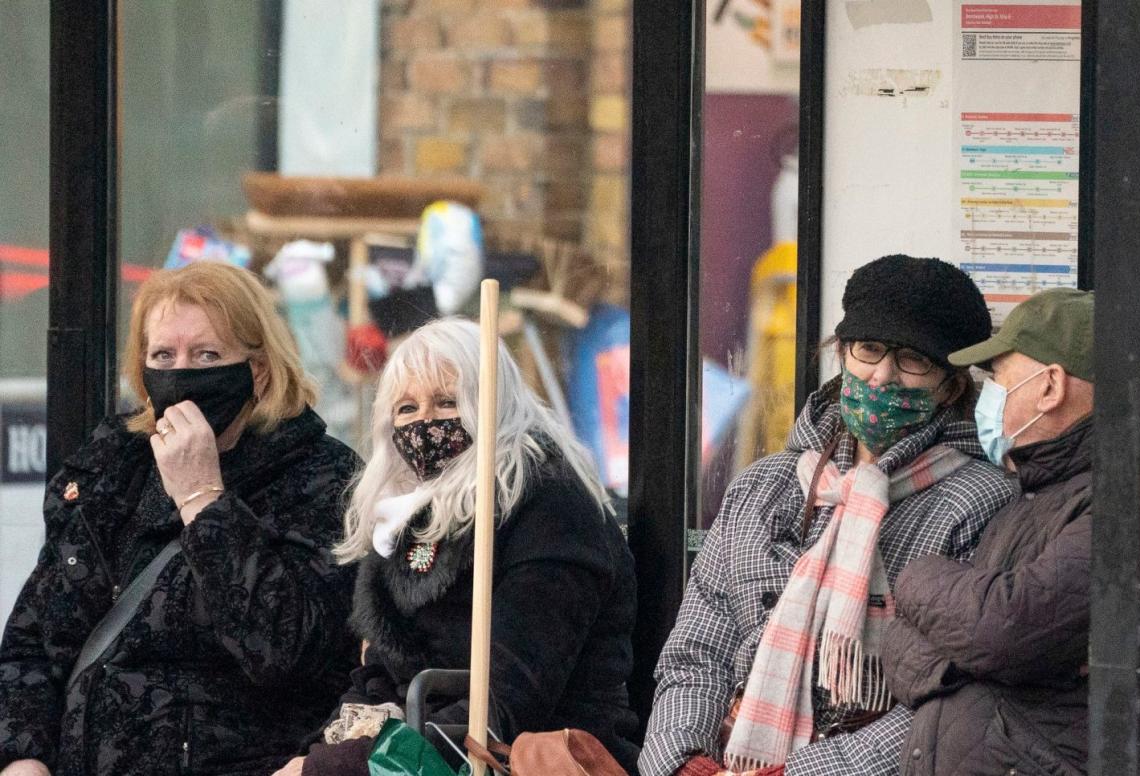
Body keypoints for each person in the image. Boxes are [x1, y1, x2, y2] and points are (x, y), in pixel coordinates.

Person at [640, 255, 1017, 776]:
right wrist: (683, 762)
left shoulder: (980, 502)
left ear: (951, 385)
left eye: (912, 359)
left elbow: (952, 696)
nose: (882, 375)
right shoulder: (762, 486)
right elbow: (695, 653)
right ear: (842, 354)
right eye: (869, 349)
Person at [0, 262, 361, 776]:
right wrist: (22, 755)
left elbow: (283, 648)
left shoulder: (323, 477)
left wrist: (203, 500)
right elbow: (33, 640)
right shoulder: (110, 469)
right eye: (163, 356)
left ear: (257, 372)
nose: (181, 374)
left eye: (207, 355)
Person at [275, 317, 639, 776]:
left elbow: (507, 699)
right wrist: (314, 756)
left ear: (492, 406)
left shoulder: (551, 505)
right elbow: (380, 679)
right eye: (406, 409)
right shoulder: (412, 514)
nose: (424, 422)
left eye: (447, 402)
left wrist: (346, 768)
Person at [881, 288, 1094, 776]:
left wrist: (917, 575)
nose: (989, 393)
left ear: (1050, 387)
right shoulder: (1027, 497)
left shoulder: (1112, 505)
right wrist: (980, 657)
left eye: (998, 376)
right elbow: (899, 651)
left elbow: (1004, 627)